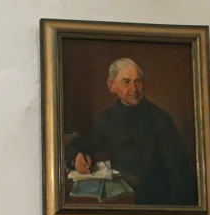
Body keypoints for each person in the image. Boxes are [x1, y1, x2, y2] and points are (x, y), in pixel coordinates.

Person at [64, 57, 196, 205]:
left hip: (156, 201)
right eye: (126, 82)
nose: (134, 89)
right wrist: (77, 158)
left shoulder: (161, 119)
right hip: (121, 199)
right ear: (111, 85)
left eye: (138, 81)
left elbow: (179, 174)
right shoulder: (107, 119)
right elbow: (78, 145)